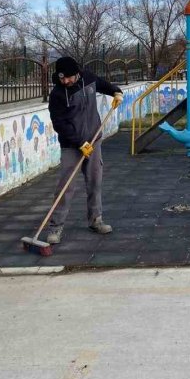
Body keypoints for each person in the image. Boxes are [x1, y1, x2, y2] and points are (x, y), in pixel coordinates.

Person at [46, 56, 123, 244]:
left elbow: (104, 84)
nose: (66, 81)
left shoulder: (88, 79)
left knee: (95, 181)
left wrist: (116, 92)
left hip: (94, 139)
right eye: (62, 78)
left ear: (77, 73)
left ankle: (96, 220)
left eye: (69, 78)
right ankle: (56, 227)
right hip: (72, 145)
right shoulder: (57, 94)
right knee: (66, 187)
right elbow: (59, 124)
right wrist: (80, 142)